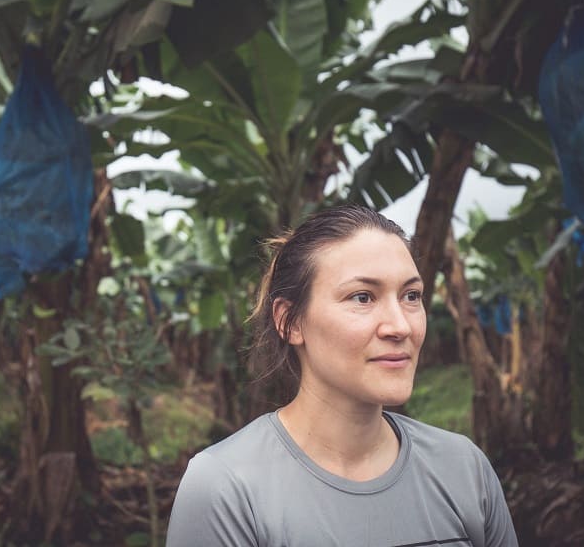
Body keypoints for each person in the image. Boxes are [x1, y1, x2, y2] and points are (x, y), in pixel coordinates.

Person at [166, 204, 518, 547]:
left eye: (411, 295)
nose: (400, 325)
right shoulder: (225, 487)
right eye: (363, 297)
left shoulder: (464, 469)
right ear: (290, 321)